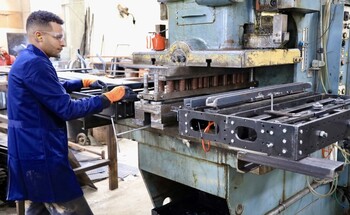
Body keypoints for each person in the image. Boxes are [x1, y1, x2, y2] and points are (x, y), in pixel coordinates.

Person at [6, 10, 135, 214]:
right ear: (39, 36)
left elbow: (48, 90)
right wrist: (106, 98)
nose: (63, 43)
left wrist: (80, 83)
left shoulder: (28, 58)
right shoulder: (35, 64)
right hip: (41, 153)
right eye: (58, 37)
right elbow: (67, 109)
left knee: (39, 208)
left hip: (28, 149)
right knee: (73, 209)